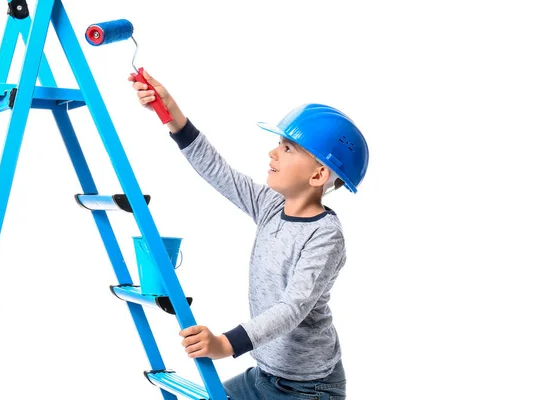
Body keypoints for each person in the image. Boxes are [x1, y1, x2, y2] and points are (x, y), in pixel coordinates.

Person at [129, 69, 369, 399]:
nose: (273, 153)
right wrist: (172, 115)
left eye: (288, 149)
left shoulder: (325, 237)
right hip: (263, 376)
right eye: (278, 144)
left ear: (318, 174)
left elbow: (292, 309)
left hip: (308, 389)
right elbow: (218, 171)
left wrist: (225, 343)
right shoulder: (270, 205)